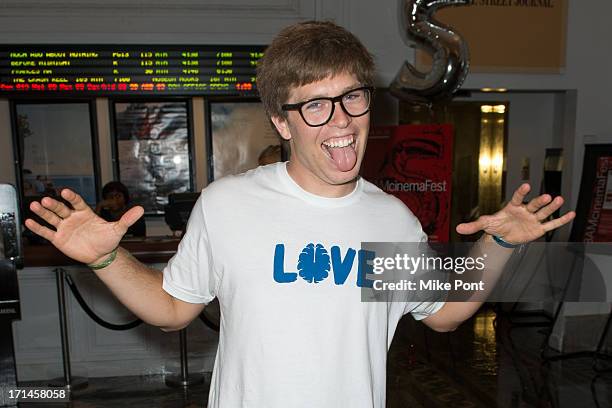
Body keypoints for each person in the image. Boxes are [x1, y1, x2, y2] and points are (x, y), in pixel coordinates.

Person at [25, 21, 575, 408]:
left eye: (352, 97)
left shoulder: (392, 221)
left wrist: (501, 244)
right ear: (282, 122)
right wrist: (106, 258)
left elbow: (444, 314)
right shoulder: (229, 205)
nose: (341, 121)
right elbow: (172, 310)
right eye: (315, 104)